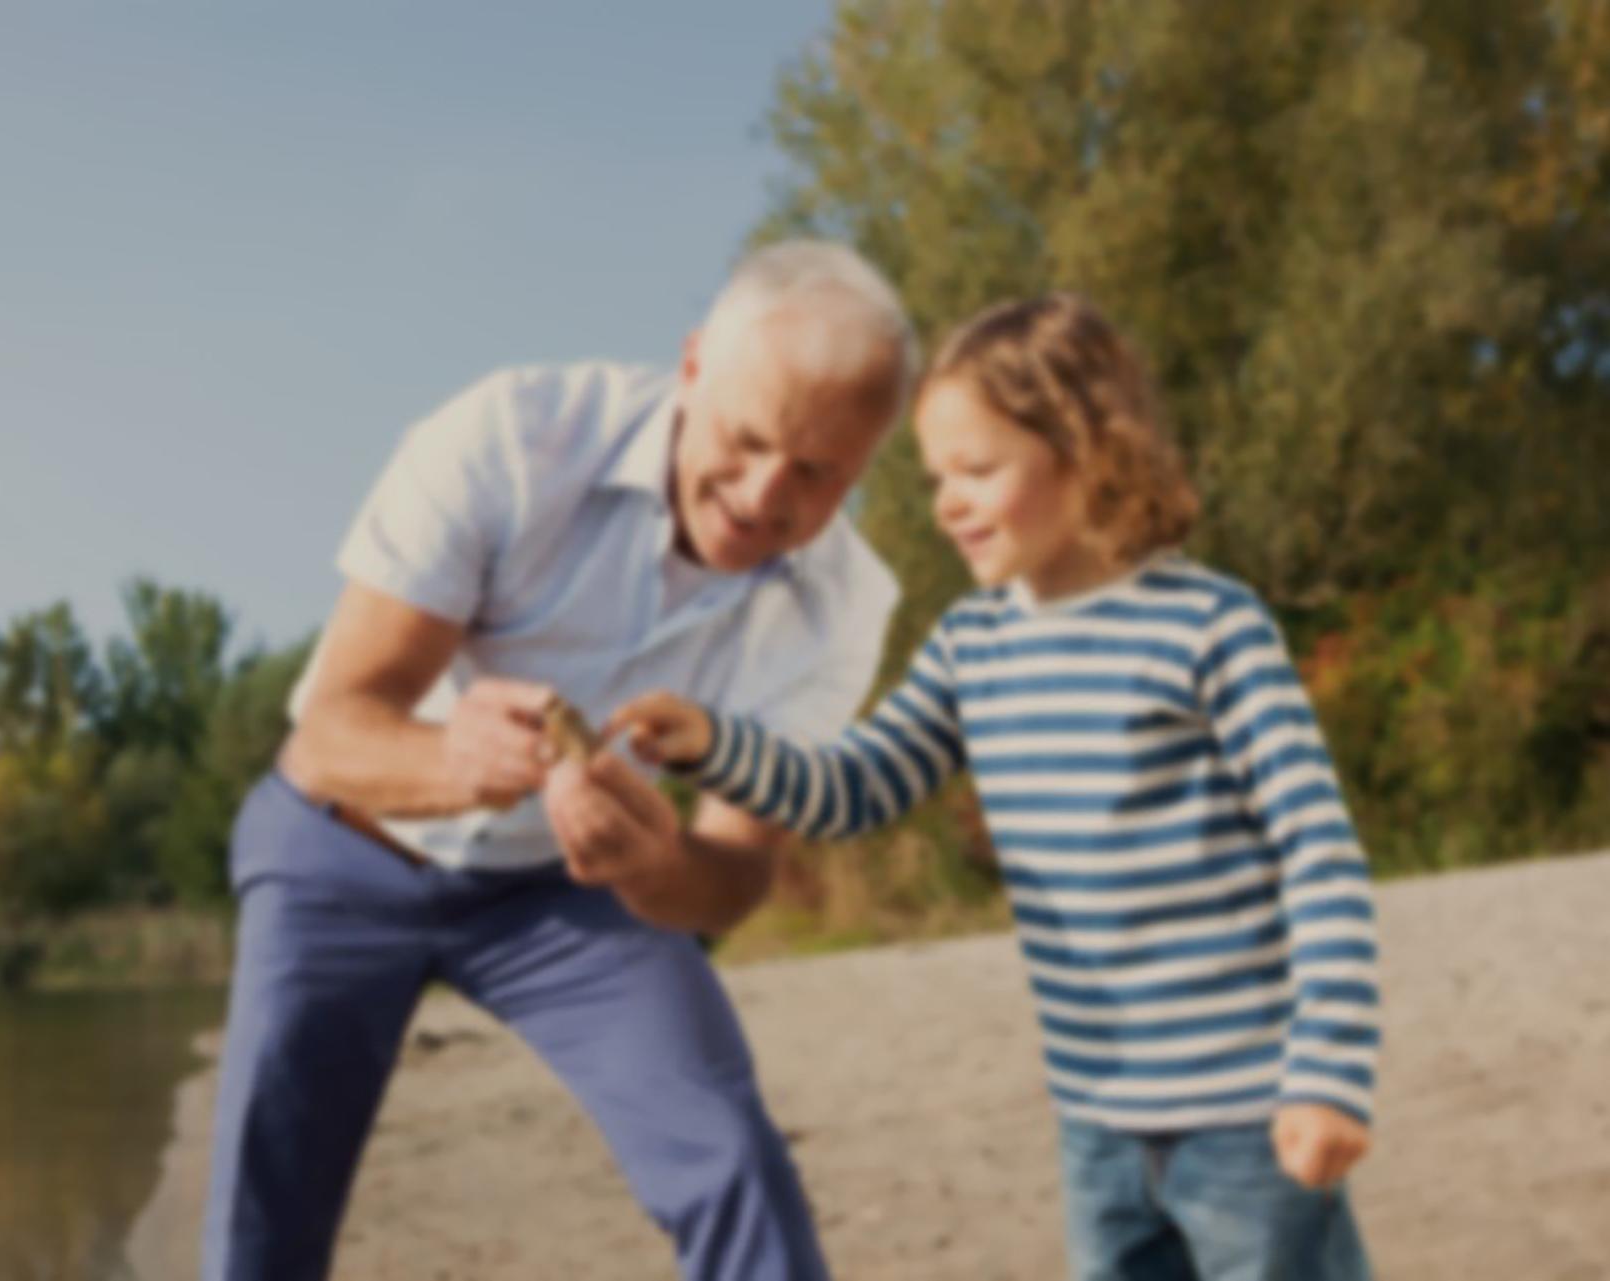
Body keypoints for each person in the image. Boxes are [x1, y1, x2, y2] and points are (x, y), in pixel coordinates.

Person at [614, 294, 1382, 1280]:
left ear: (1090, 451)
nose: (946, 502)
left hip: (1249, 1117)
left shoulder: (1208, 628)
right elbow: (853, 787)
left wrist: (1327, 1074)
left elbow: (1318, 856)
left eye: (977, 470)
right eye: (939, 476)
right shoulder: (972, 647)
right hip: (1096, 1121)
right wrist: (716, 743)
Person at [199, 240, 917, 1281]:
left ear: (867, 458)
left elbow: (735, 875)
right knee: (266, 1212)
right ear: (689, 367)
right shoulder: (510, 437)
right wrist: (455, 759)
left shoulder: (847, 606)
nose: (766, 497)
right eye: (747, 438)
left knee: (731, 1159)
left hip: (561, 894)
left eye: (818, 473)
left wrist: (653, 864)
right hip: (340, 848)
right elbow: (332, 732)